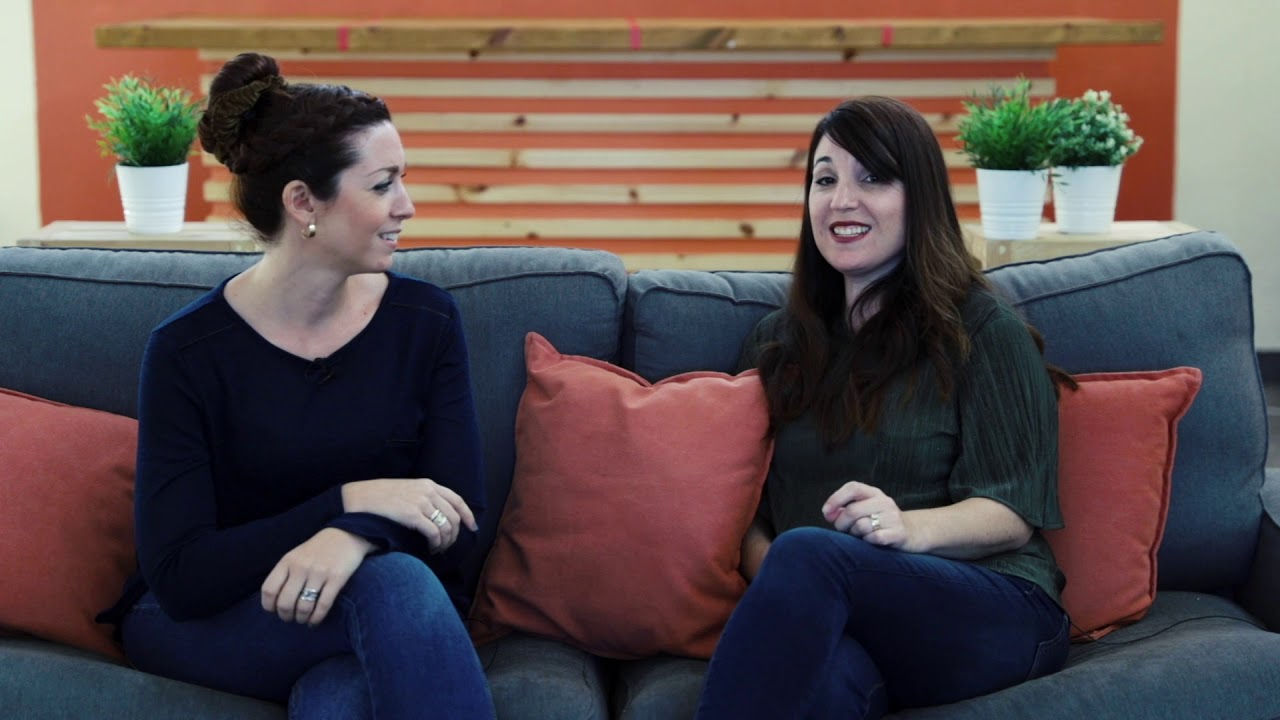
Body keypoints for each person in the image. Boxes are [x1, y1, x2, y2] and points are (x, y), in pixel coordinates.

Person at [97, 53, 496, 719]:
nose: (407, 206)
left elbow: (459, 519)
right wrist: (345, 503)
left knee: (340, 694)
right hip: (215, 619)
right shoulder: (187, 353)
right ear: (303, 202)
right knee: (392, 587)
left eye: (403, 181)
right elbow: (182, 578)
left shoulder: (424, 321)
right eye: (382, 185)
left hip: (377, 608)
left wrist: (352, 535)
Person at [695, 97, 1073, 719]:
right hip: (843, 613)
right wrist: (784, 584)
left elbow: (1011, 513)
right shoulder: (776, 342)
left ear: (919, 198)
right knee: (822, 686)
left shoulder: (982, 329)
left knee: (809, 553)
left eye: (872, 178)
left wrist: (907, 528)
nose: (842, 200)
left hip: (993, 604)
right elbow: (748, 517)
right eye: (825, 180)